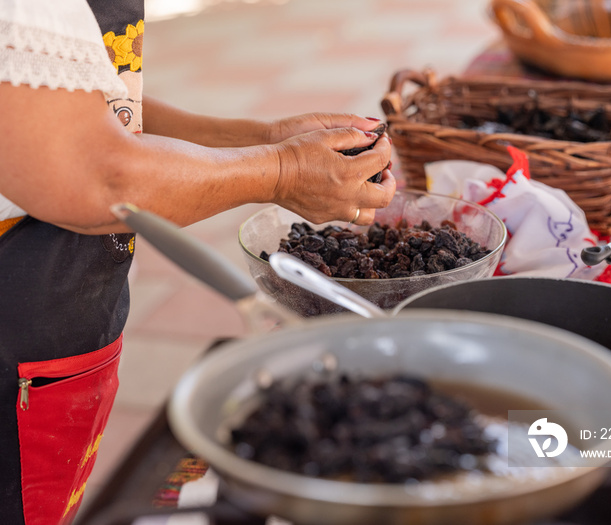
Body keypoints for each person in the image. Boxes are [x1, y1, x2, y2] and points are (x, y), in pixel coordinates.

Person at [0, 1, 395, 524]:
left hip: (64, 313)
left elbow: (79, 102)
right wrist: (282, 170)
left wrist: (264, 140)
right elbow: (95, 174)